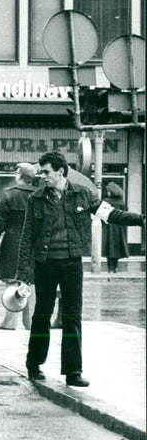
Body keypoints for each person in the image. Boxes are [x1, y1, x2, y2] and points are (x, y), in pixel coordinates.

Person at [15, 151, 144, 387]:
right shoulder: (36, 198)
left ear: (60, 171)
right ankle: (34, 365)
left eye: (46, 172)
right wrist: (24, 274)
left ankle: (73, 371)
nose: (42, 176)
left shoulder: (82, 195)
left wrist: (140, 219)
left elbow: (111, 214)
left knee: (73, 316)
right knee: (42, 315)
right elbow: (26, 236)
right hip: (45, 264)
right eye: (40, 172)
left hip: (72, 264)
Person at [0, 163, 36, 330]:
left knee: (12, 280)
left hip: (12, 241)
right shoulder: (38, 195)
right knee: (29, 281)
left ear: (20, 175)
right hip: (32, 243)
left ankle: (9, 321)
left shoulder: (9, 194)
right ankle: (30, 321)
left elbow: (0, 222)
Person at [102, 182, 129, 273]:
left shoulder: (106, 201)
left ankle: (110, 267)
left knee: (109, 246)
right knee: (118, 246)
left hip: (109, 227)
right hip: (120, 227)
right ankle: (115, 266)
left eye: (108, 191)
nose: (107, 192)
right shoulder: (121, 202)